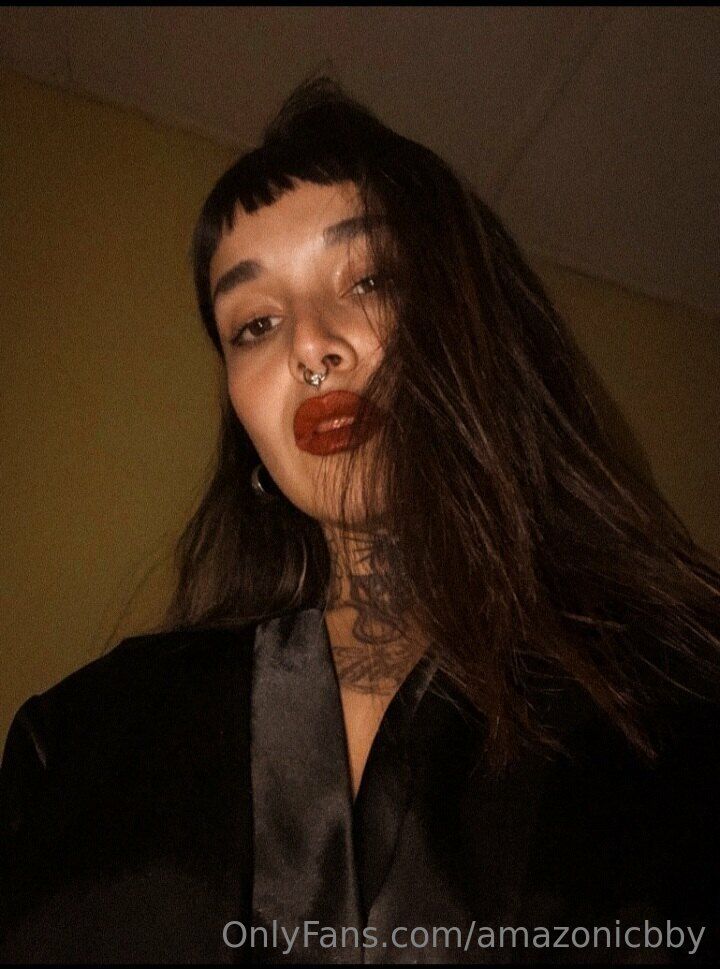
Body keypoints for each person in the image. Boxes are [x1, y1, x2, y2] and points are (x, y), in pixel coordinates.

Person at [1, 77, 719, 965]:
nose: (309, 345)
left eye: (370, 279)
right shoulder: (77, 743)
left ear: (472, 324)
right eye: (254, 323)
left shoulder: (684, 706)